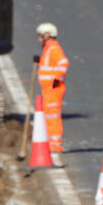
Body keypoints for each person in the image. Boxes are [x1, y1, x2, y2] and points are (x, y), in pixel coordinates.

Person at [36, 22, 69, 163]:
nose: (39, 39)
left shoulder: (53, 49)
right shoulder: (48, 49)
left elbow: (63, 63)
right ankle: (51, 142)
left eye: (40, 36)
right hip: (48, 88)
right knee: (49, 115)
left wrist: (56, 79)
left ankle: (55, 144)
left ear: (47, 36)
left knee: (53, 115)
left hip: (53, 88)